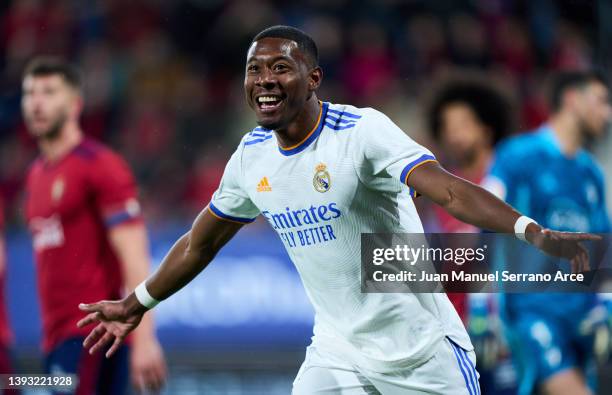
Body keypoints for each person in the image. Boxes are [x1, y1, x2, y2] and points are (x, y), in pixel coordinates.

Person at [77, 26, 595, 395]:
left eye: (282, 67)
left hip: (422, 351)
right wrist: (138, 302)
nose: (265, 79)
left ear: (314, 77)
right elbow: (200, 241)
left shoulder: (362, 131)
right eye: (254, 69)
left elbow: (452, 193)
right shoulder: (250, 156)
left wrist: (535, 233)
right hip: (338, 351)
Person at [21, 57, 166, 394]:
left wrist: (145, 340)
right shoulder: (36, 174)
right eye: (30, 93)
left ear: (74, 104)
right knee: (13, 384)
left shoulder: (100, 166)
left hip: (94, 336)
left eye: (48, 92)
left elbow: (134, 255)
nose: (36, 102)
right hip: (55, 337)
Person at [484, 71, 611, 395]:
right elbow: (482, 213)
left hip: (582, 320)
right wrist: (482, 301)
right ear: (571, 99)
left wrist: (604, 305)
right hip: (532, 312)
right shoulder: (519, 155)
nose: (607, 113)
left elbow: (602, 252)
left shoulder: (590, 173)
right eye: (601, 101)